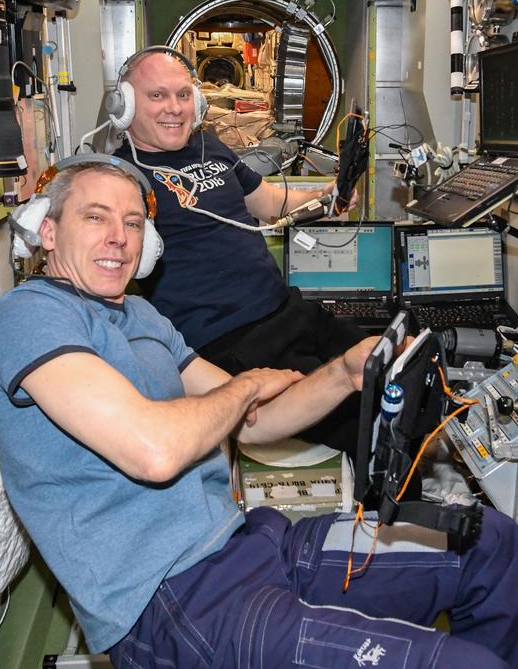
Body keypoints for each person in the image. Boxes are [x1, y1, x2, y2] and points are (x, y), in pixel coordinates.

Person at [0, 158, 518, 668]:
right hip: (173, 599)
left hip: (251, 544)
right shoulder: (30, 317)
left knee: (488, 545)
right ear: (48, 231)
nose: (119, 239)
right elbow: (154, 451)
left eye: (132, 223)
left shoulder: (143, 318)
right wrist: (245, 384)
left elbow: (255, 422)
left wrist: (344, 373)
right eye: (96, 218)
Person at [113, 48, 367, 452]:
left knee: (390, 366)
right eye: (157, 96)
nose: (174, 109)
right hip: (229, 341)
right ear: (124, 105)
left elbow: (267, 201)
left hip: (288, 310)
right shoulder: (122, 178)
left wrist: (326, 194)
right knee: (360, 420)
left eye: (182, 95)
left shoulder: (210, 147)